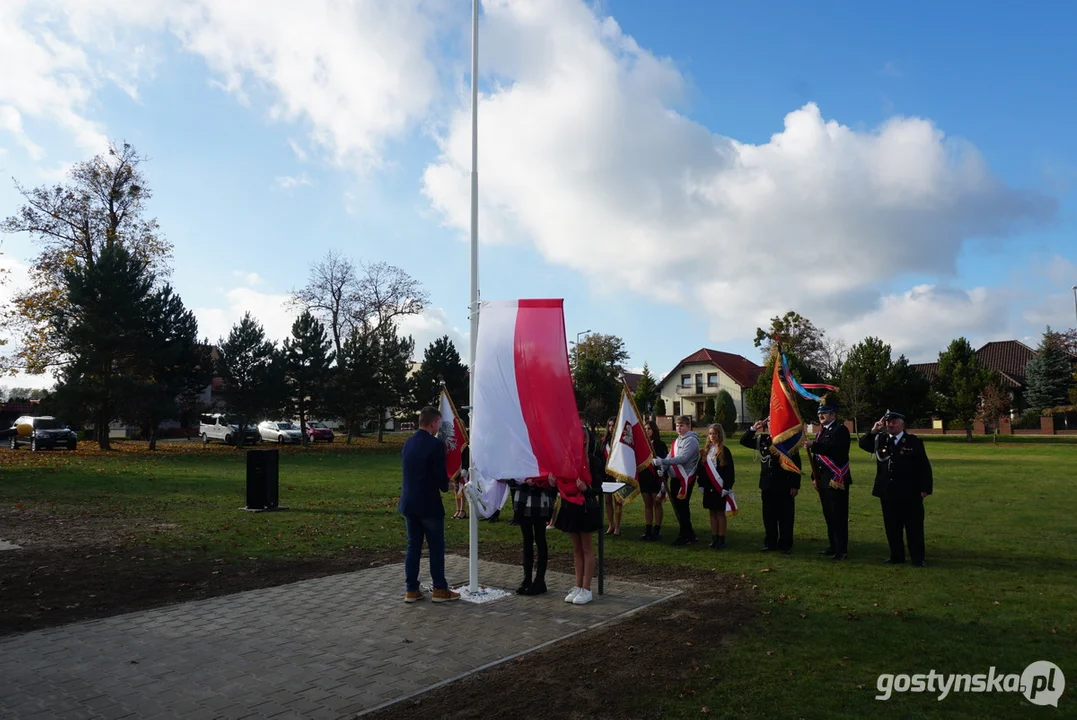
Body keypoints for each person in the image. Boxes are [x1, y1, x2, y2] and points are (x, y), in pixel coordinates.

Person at [398, 406, 459, 603]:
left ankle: (411, 589)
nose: (439, 427)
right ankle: (440, 589)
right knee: (435, 547)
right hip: (428, 505)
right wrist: (447, 484)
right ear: (433, 423)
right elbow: (439, 475)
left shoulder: (408, 442)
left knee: (413, 546)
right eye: (439, 423)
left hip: (409, 502)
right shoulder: (434, 445)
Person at [858, 410, 933, 567]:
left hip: (909, 491)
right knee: (892, 526)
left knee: (914, 527)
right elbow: (863, 444)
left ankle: (918, 558)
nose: (890, 425)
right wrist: (873, 431)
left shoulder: (913, 442)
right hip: (888, 491)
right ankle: (896, 556)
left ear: (902, 424)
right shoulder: (881, 439)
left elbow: (923, 466)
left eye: (894, 422)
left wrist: (925, 488)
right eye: (888, 422)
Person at [555, 425, 604, 605]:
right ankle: (577, 585)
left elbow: (600, 487)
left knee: (586, 547)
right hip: (570, 507)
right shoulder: (567, 461)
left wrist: (587, 489)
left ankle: (587, 588)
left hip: (586, 507)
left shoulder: (593, 461)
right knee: (576, 548)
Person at [741, 419, 801, 554]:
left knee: (785, 516)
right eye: (769, 422)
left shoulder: (788, 440)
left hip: (785, 484)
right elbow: (744, 441)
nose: (771, 424)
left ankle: (785, 544)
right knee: (769, 516)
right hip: (767, 484)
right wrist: (753, 428)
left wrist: (795, 485)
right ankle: (770, 543)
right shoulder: (763, 439)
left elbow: (796, 463)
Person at [806, 401, 852, 561]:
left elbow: (836, 451)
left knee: (838, 515)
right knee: (829, 515)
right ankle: (833, 545)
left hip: (836, 479)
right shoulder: (822, 432)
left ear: (833, 414)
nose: (821, 415)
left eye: (824, 412)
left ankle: (841, 549)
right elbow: (816, 459)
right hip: (823, 479)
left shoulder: (840, 430)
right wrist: (814, 477)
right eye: (819, 413)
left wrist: (815, 445)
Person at [653, 415, 700, 546]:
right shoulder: (676, 441)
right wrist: (663, 467)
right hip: (675, 479)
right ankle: (689, 533)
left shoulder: (691, 441)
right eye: (678, 425)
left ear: (688, 426)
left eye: (682, 425)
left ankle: (685, 535)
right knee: (678, 507)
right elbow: (670, 456)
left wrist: (662, 460)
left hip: (685, 479)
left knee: (682, 507)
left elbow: (682, 458)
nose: (679, 428)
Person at [510, 474, 557, 595]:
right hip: (523, 501)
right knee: (527, 540)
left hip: (540, 500)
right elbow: (511, 477)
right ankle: (527, 579)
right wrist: (520, 479)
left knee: (540, 539)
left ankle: (540, 580)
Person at [699, 424, 736, 549]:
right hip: (708, 487)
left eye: (714, 433)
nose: (712, 436)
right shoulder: (705, 451)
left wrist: (727, 487)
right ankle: (714, 538)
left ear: (719, 435)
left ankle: (721, 539)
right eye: (710, 433)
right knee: (712, 513)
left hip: (719, 487)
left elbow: (730, 472)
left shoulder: (725, 451)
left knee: (720, 513)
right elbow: (701, 470)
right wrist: (701, 484)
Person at [638, 419, 667, 541]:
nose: (647, 431)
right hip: (644, 477)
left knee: (657, 503)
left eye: (649, 428)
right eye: (645, 428)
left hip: (656, 477)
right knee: (647, 504)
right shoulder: (641, 445)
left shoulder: (660, 445)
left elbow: (666, 461)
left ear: (654, 430)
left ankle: (657, 529)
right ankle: (648, 529)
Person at [601, 416, 622, 536]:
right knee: (607, 501)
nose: (611, 428)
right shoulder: (603, 441)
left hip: (617, 474)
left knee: (618, 501)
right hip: (606, 474)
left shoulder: (620, 442)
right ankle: (610, 524)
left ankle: (618, 527)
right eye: (609, 425)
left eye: (613, 425)